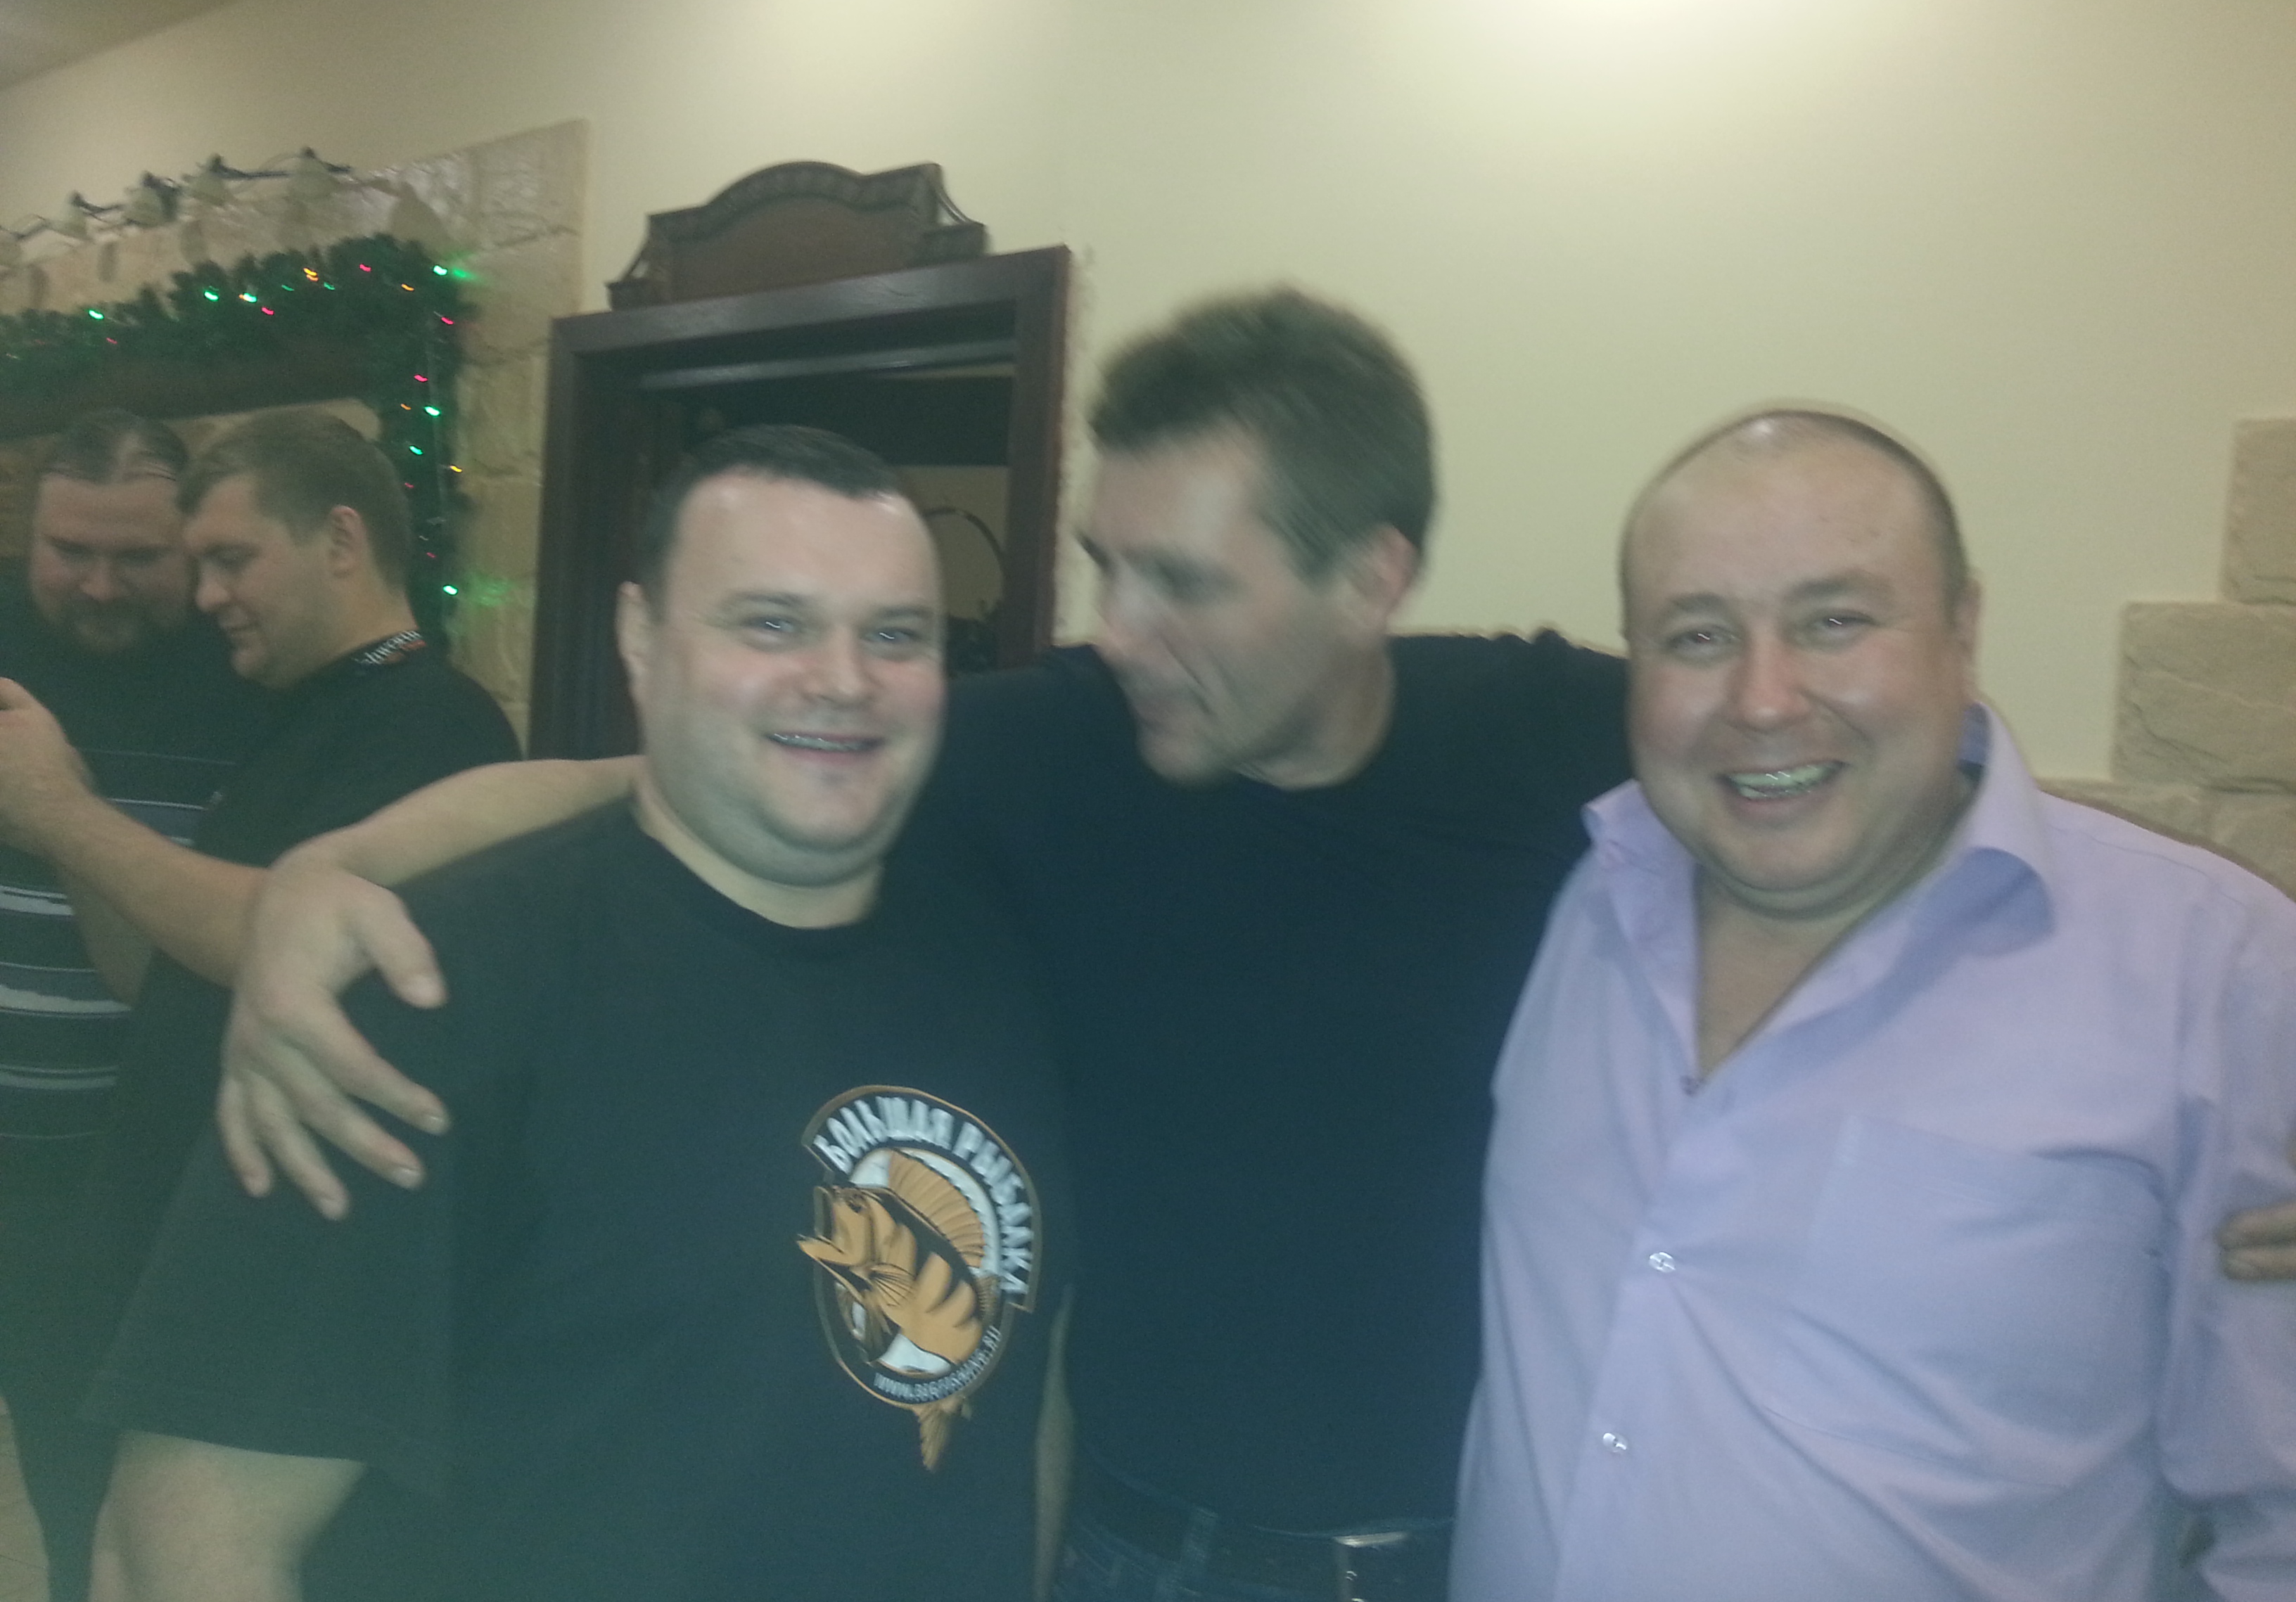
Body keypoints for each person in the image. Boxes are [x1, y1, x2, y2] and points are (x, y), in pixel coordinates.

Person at [206, 293, 2296, 1601]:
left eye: (1186, 585)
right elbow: (649, 775)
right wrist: (333, 880)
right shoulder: (1052, 751)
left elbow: (1873, 774)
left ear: (1371, 577)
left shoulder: (1577, 754)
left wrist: (2228, 1021)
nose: (1119, 632)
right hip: (1127, 1552)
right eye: (1107, 567)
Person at [86, 426, 1071, 1602]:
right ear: (640, 641)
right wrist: (326, 867)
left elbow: (1022, 1401)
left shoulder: (1000, 960)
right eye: (772, 624)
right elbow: (190, 1535)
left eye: (896, 635)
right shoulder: (425, 992)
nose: (845, 679)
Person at [1453, 410, 2296, 1600]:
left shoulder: (2214, 975)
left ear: (1963, 628)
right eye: (1698, 636)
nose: (1763, 698)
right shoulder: (1577, 893)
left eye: (1835, 621)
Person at [0, 407, 518, 1599]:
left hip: (281, 1266)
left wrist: (57, 809)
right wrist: (64, 813)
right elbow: (160, 972)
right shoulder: (303, 714)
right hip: (153, 1249)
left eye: (230, 560)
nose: (208, 597)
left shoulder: (429, 723)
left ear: (339, 540)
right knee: (100, 1549)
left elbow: (270, 936)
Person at [0, 411, 276, 1598]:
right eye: (71, 551)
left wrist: (59, 807)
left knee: (106, 1496)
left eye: (139, 558)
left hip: (132, 1183)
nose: (100, 586)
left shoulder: (251, 685)